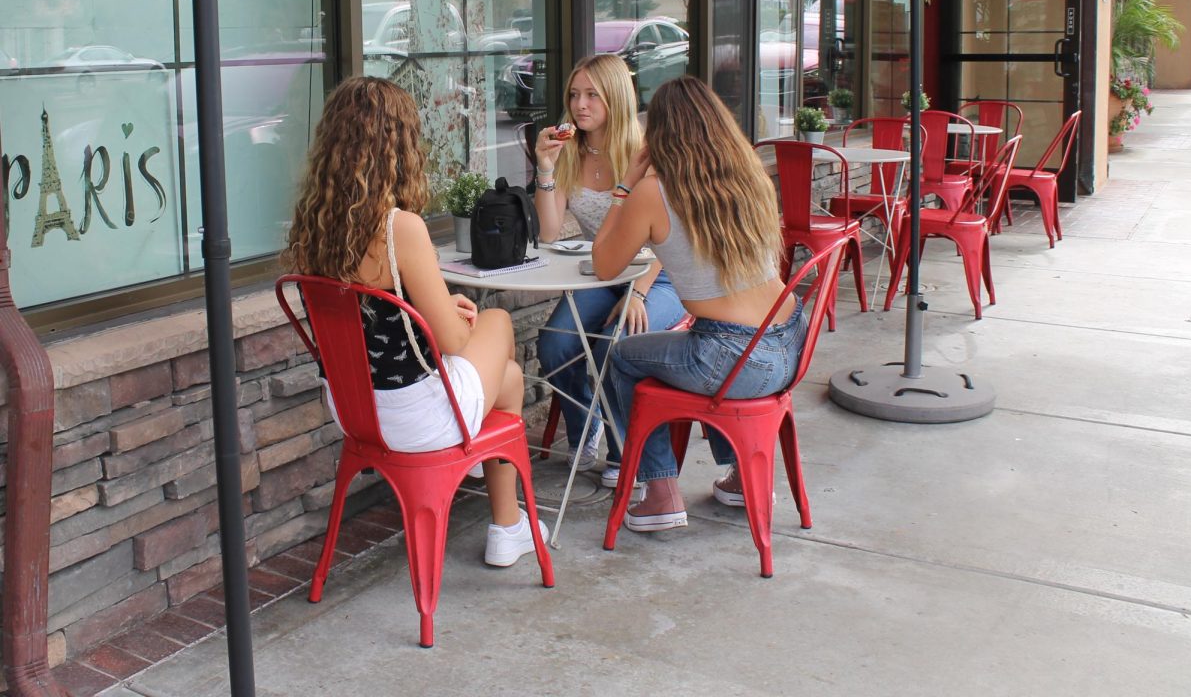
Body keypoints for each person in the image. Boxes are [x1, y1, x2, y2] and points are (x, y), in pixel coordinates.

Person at [285, 76, 545, 567]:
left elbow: (383, 318)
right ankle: (498, 507)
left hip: (354, 410)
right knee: (496, 321)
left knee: (507, 378)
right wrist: (454, 319)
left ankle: (507, 528)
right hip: (415, 417)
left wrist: (443, 313)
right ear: (399, 147)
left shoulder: (312, 227)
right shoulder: (399, 227)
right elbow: (450, 342)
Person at [593, 75, 807, 533]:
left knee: (623, 356)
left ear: (660, 137)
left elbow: (604, 264)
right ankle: (740, 477)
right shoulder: (748, 174)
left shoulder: (655, 191)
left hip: (734, 359)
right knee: (694, 343)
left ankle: (660, 491)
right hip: (790, 344)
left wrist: (625, 185)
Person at [533, 54, 685, 486]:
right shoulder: (569, 151)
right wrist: (544, 167)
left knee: (615, 347)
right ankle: (586, 428)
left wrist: (636, 293)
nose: (580, 105)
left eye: (592, 95)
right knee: (556, 345)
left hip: (658, 273)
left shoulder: (645, 152)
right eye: (574, 94)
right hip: (603, 271)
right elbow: (548, 232)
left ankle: (625, 453)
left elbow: (665, 238)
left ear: (615, 98)